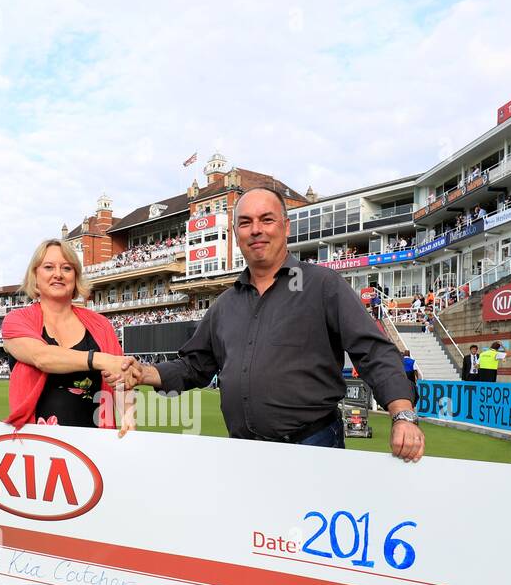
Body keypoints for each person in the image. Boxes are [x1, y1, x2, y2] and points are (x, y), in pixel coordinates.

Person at [123, 187, 423, 459]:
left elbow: (373, 350)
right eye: (245, 222)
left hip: (313, 447)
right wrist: (144, 373)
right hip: (244, 451)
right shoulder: (225, 305)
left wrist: (402, 414)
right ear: (236, 232)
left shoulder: (322, 285)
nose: (256, 230)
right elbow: (194, 367)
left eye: (266, 220)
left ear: (285, 226)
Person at [1, 238, 134, 430]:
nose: (58, 274)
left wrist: (128, 419)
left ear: (76, 276)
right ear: (35, 275)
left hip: (95, 445)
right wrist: (99, 359)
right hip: (36, 445)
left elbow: (121, 379)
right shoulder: (17, 320)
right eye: (48, 267)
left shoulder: (101, 325)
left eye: (66, 268)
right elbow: (42, 357)